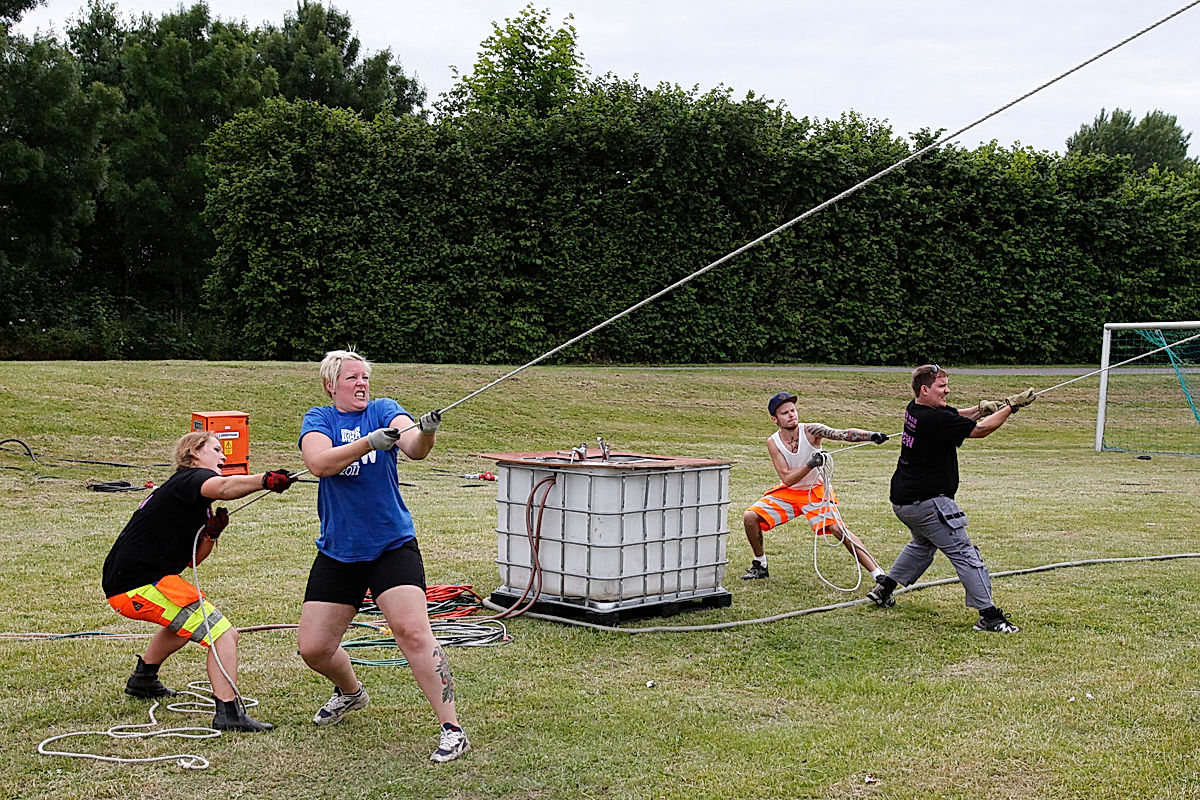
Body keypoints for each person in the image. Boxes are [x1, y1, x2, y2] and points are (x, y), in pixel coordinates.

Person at [297, 349, 469, 764]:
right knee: (314, 648)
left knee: (411, 631)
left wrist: (425, 431)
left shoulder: (385, 410)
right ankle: (351, 693)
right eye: (352, 378)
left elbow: (413, 445)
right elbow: (319, 463)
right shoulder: (319, 420)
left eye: (365, 378)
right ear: (330, 384)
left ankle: (452, 729)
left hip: (391, 544)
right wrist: (368, 443)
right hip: (340, 551)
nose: (361, 384)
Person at [102, 431, 297, 731]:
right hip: (136, 584)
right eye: (216, 450)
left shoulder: (191, 494)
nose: (223, 456)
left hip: (141, 580)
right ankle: (228, 713)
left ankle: (143, 679)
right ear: (193, 454)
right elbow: (225, 486)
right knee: (224, 635)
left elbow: (193, 560)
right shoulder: (191, 480)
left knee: (181, 626)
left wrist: (212, 534)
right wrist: (264, 480)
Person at [865, 364, 1035, 633]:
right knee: (965, 553)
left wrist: (980, 408)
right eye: (942, 387)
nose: (948, 390)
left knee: (922, 544)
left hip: (904, 501)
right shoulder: (934, 420)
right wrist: (1011, 408)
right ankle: (989, 617)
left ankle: (884, 588)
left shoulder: (916, 409)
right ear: (925, 389)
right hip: (927, 502)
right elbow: (980, 430)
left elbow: (955, 415)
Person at [741, 391, 890, 582]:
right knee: (750, 517)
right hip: (789, 492)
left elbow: (842, 434)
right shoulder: (773, 442)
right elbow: (787, 479)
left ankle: (878, 574)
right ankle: (760, 564)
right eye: (785, 413)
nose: (791, 415)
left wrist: (870, 436)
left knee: (838, 529)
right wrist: (810, 464)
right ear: (774, 419)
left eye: (793, 410)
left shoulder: (811, 430)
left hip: (815, 491)